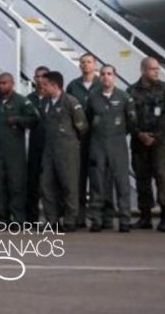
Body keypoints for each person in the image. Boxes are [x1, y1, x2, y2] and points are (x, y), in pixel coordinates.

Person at [127, 57, 165, 231]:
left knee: (164, 177)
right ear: (143, 70)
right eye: (152, 69)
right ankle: (145, 216)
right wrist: (139, 134)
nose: (157, 71)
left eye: (157, 69)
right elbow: (129, 117)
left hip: (161, 143)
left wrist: (155, 136)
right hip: (140, 143)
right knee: (142, 179)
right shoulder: (132, 91)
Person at [86, 65, 137, 232]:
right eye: (103, 74)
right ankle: (97, 220)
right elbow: (88, 119)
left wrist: (119, 133)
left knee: (122, 183)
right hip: (98, 144)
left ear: (115, 76)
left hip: (118, 144)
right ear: (99, 77)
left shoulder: (124, 97)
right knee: (97, 183)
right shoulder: (93, 97)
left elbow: (131, 122)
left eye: (109, 74)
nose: (106, 77)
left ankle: (124, 220)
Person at [39, 71, 89, 232]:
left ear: (55, 85)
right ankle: (52, 219)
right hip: (49, 149)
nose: (42, 86)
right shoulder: (45, 102)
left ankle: (70, 219)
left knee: (69, 184)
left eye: (45, 84)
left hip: (67, 149)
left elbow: (82, 126)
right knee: (47, 184)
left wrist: (71, 142)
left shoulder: (70, 101)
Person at [0, 72, 38, 224]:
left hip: (15, 152)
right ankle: (3, 218)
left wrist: (18, 120)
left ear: (12, 84)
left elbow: (34, 119)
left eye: (4, 83)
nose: (1, 86)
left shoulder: (22, 101)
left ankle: (18, 219)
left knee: (16, 186)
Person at [66, 53, 99, 228]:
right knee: (78, 178)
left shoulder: (102, 85)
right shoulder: (73, 86)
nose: (86, 65)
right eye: (83, 63)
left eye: (89, 62)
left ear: (95, 65)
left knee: (97, 179)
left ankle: (97, 218)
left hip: (97, 139)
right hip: (79, 139)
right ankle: (79, 216)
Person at [25, 66, 49, 222]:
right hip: (34, 145)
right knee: (32, 182)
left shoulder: (54, 97)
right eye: (37, 77)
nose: (40, 80)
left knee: (50, 183)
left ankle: (52, 218)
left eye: (43, 76)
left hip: (51, 146)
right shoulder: (29, 99)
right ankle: (32, 218)